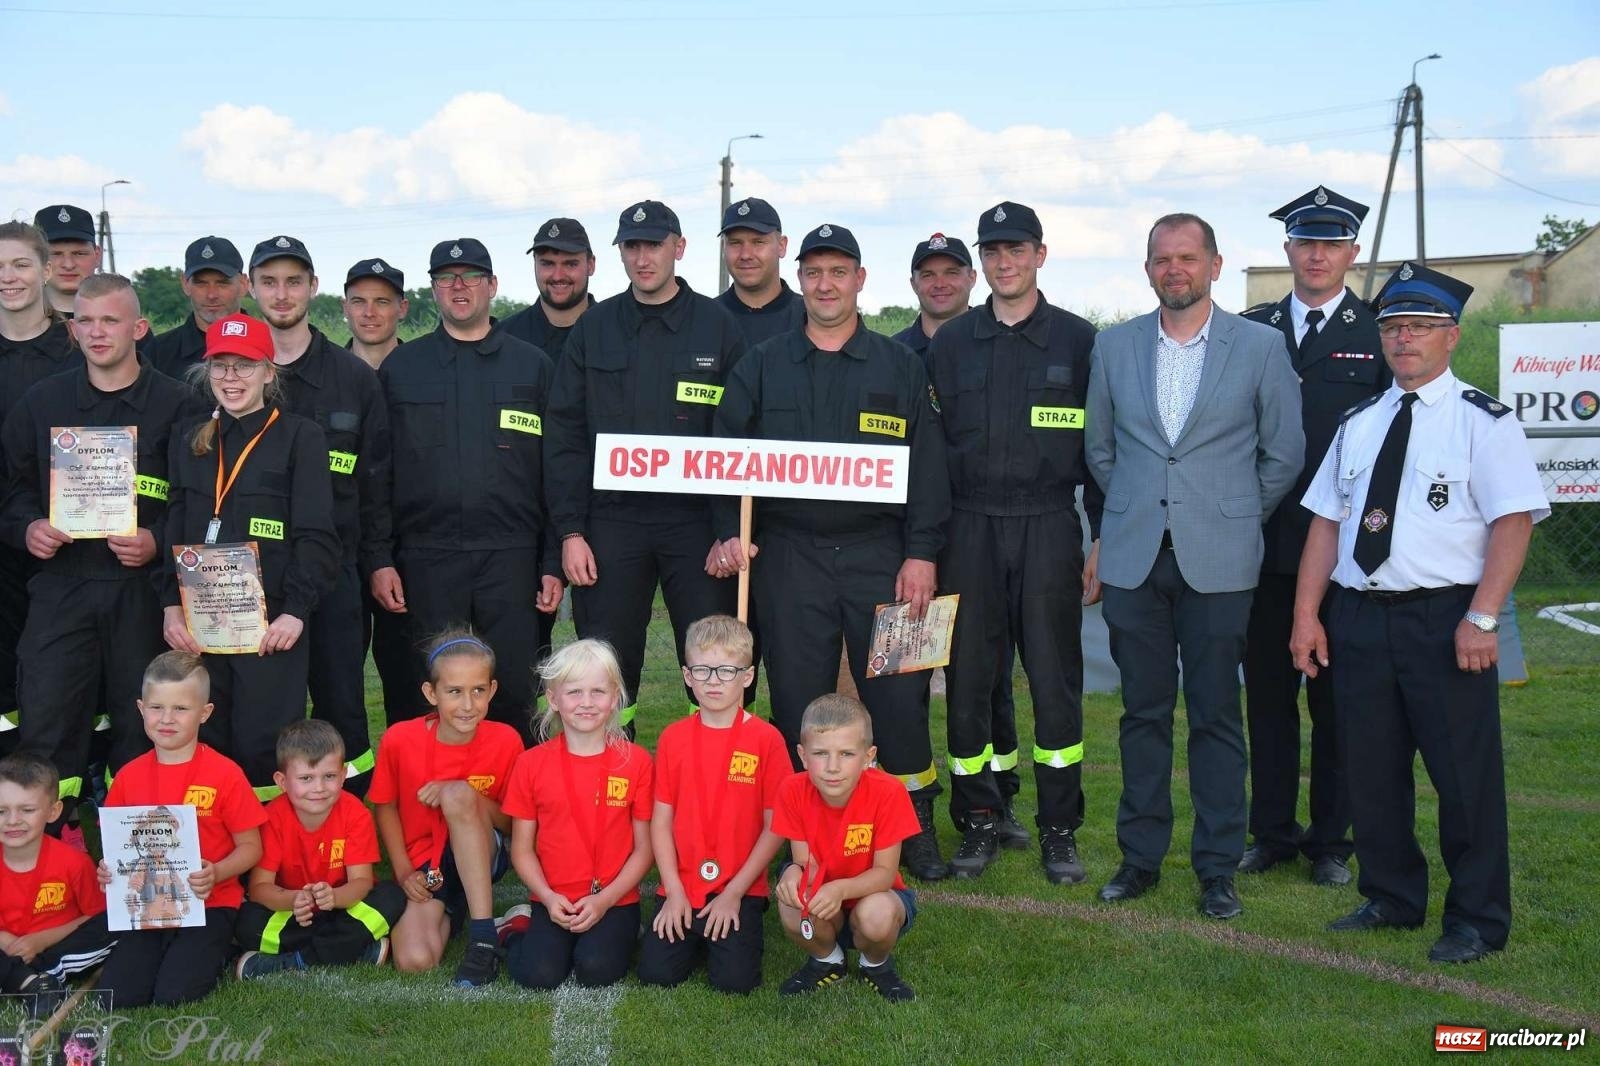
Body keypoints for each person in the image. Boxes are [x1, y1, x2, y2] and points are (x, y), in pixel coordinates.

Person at [1293, 263, 1546, 964]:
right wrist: (1307, 616)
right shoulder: (1359, 423)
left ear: (1451, 337)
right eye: (1393, 327)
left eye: (1420, 327)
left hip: (1446, 620)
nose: (1404, 339)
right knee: (1369, 769)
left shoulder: (1483, 423)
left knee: (1463, 776)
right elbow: (1325, 523)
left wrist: (1485, 618)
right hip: (1361, 619)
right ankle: (1392, 897)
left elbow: (1514, 522)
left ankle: (1476, 917)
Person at [711, 223, 951, 883]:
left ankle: (915, 825)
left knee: (901, 696)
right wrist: (732, 529)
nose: (824, 284)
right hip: (791, 556)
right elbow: (723, 454)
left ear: (860, 280)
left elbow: (929, 468)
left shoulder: (901, 367)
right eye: (814, 272)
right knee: (797, 697)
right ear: (802, 280)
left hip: (886, 556)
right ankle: (802, 830)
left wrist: (923, 553)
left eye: (837, 272)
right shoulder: (762, 363)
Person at [1085, 213, 1302, 920]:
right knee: (1142, 714)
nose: (1173, 269)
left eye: (1187, 257)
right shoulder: (1114, 346)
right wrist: (1142, 508)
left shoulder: (1262, 347)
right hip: (1134, 557)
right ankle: (1139, 860)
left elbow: (1283, 455)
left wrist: (1230, 513)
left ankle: (1216, 868)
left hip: (1221, 557)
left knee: (1215, 716)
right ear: (1147, 269)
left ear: (1214, 263)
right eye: (1161, 259)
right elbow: (1101, 448)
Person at [927, 203, 1101, 883]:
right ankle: (980, 818)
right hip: (968, 525)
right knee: (969, 678)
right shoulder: (950, 344)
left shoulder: (1081, 342)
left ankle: (1060, 828)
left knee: (1055, 679)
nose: (1006, 263)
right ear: (982, 263)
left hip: (1049, 522)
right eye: (993, 252)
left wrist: (1103, 536)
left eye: (1017, 250)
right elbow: (931, 454)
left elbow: (1102, 449)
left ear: (1040, 254)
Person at [3, 274, 196, 830]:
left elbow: (200, 495)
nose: (96, 332)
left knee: (145, 724)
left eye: (110, 320)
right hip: (61, 585)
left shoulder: (178, 405)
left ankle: (142, 844)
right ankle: (52, 845)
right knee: (48, 716)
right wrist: (28, 527)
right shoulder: (43, 403)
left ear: (138, 327)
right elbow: (9, 488)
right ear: (72, 328)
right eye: (84, 320)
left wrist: (158, 539)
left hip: (142, 590)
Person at [545, 201, 744, 731]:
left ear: (678, 248)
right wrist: (571, 530)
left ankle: (709, 782)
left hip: (697, 525)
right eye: (631, 246)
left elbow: (741, 435)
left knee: (711, 660)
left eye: (653, 245)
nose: (642, 257)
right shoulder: (595, 329)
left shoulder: (719, 328)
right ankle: (612, 770)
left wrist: (730, 529)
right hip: (612, 524)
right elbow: (564, 435)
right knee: (607, 660)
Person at [1238, 186, 1387, 887]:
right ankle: (1270, 832)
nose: (1318, 254)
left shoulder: (1382, 330)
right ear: (1288, 250)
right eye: (1306, 241)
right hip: (1264, 548)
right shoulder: (1253, 328)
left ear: (1352, 252)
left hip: (1348, 555)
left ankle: (1332, 840)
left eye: (1332, 242)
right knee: (1268, 700)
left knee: (1338, 703)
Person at [371, 238, 562, 734]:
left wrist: (551, 561)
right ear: (433, 290)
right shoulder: (402, 369)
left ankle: (510, 805)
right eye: (447, 278)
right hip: (427, 557)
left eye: (472, 276)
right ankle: (429, 802)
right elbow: (378, 474)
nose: (460, 286)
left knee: (515, 688)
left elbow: (555, 470)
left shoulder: (532, 366)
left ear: (493, 286)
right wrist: (381, 558)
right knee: (433, 688)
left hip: (511, 557)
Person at [159, 312, 340, 795]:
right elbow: (173, 526)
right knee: (206, 737)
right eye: (220, 366)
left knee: (264, 741)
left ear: (268, 370)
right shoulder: (190, 438)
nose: (230, 378)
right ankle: (217, 856)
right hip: (201, 625)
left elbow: (317, 534)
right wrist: (170, 605)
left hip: (269, 627)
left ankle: (265, 857)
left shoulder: (300, 437)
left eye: (243, 366)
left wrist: (295, 613)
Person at [249, 236, 387, 794]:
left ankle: (352, 825)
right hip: (252, 581)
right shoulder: (231, 374)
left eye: (293, 281)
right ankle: (269, 835)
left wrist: (379, 560)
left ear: (313, 286)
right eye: (269, 282)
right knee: (262, 712)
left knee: (342, 709)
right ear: (250, 287)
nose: (282, 294)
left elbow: (378, 483)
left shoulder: (352, 378)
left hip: (334, 577)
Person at [96, 651, 266, 1007]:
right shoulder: (128, 777)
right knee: (121, 996)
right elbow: (115, 846)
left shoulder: (225, 774)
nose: (167, 719)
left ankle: (219, 950)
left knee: (175, 995)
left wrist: (217, 872)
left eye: (181, 709)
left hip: (210, 903)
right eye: (157, 708)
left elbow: (251, 847)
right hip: (145, 907)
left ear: (204, 713)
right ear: (141, 709)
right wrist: (108, 870)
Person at [636, 614, 786, 994]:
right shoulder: (673, 738)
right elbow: (660, 821)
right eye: (702, 671)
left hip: (739, 886)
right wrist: (672, 891)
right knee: (657, 973)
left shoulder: (767, 740)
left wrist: (734, 894)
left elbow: (776, 826)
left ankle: (718, 932)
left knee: (734, 982)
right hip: (682, 883)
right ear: (688, 677)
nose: (714, 681)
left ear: (747, 676)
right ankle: (691, 931)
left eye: (726, 670)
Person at [498, 639, 654, 990]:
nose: (586, 703)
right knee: (538, 976)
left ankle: (624, 930)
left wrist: (605, 900)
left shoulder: (637, 763)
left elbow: (645, 849)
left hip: (613, 898)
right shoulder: (530, 764)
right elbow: (521, 849)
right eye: (574, 692)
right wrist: (548, 897)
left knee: (596, 969)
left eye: (598, 692)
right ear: (553, 699)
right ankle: (515, 929)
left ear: (615, 697)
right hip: (553, 899)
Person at [369, 630, 520, 987]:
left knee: (457, 795)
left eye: (478, 690)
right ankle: (456, 905)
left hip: (486, 851)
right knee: (415, 960)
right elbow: (385, 807)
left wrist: (466, 794)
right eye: (454, 692)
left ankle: (483, 938)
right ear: (431, 693)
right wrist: (404, 871)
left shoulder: (506, 741)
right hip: (425, 862)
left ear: (492, 690)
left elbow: (512, 824)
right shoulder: (400, 740)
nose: (468, 705)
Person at [771, 694, 919, 1002]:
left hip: (875, 895)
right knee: (790, 903)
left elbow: (884, 874)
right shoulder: (792, 790)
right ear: (802, 755)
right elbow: (804, 861)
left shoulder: (889, 792)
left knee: (876, 914)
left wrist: (839, 889)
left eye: (847, 754)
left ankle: (875, 964)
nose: (833, 767)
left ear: (868, 756)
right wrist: (793, 876)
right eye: (821, 753)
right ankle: (828, 960)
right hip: (826, 899)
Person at [234, 720, 406, 978]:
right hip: (294, 915)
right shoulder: (271, 818)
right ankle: (353, 949)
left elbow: (361, 883)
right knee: (246, 923)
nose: (319, 788)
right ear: (282, 781)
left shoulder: (355, 814)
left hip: (344, 908)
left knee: (391, 896)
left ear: (344, 773)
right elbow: (259, 889)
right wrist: (293, 900)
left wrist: (334, 897)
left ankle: (295, 961)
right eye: (306, 778)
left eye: (329, 776)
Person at [0, 221, 82, 748]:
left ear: (47, 270)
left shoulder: (80, 354)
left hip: (64, 543)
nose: (8, 278)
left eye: (20, 264)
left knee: (65, 673)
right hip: (3, 541)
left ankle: (73, 789)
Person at [0, 753, 114, 1002]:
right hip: (6, 946)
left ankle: (35, 974)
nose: (12, 821)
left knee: (112, 928)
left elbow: (94, 915)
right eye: (2, 811)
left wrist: (40, 941)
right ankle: (27, 980)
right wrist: (6, 939)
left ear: (53, 811)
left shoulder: (73, 862)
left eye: (27, 810)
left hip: (57, 945)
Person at [143, 237, 247, 382]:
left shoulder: (271, 345)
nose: (212, 295)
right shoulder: (158, 353)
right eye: (201, 283)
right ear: (185, 284)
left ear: (243, 284)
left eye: (222, 283)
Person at [498, 218, 597, 357]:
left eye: (570, 264)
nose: (558, 276)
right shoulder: (502, 339)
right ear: (535, 264)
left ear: (591, 265)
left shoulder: (616, 332)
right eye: (547, 264)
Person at [715, 198, 804, 347]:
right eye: (735, 243)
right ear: (724, 248)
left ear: (782, 246)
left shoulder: (811, 318)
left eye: (758, 242)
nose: (745, 255)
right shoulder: (703, 319)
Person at [342, 258, 409, 371]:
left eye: (382, 302)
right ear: (345, 308)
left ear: (402, 308)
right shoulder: (324, 372)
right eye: (358, 301)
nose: (369, 313)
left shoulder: (425, 371)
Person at [33, 206, 99, 319]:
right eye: (56, 254)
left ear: (97, 256)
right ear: (35, 257)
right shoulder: (11, 325)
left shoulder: (125, 323)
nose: (68, 265)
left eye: (79, 253)